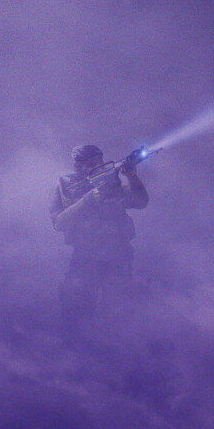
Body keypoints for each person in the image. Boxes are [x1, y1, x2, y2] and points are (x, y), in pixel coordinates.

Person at [49, 144, 149, 337]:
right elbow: (59, 223)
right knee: (77, 309)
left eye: (98, 162)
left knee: (119, 311)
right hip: (85, 257)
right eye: (89, 164)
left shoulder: (113, 184)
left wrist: (131, 176)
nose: (95, 167)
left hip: (118, 256)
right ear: (78, 166)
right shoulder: (66, 185)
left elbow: (141, 202)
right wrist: (90, 199)